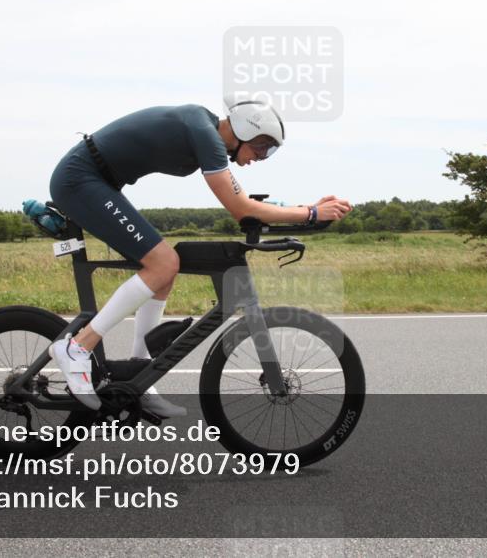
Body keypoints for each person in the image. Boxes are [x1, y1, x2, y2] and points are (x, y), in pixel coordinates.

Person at [47, 98, 352, 416]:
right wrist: (311, 213)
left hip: (97, 182)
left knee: (163, 270)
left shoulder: (205, 130)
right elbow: (240, 208)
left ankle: (140, 375)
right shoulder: (204, 132)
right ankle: (78, 346)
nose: (261, 157)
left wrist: (306, 209)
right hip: (79, 180)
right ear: (246, 130)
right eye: (262, 148)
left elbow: (244, 201)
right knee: (164, 263)